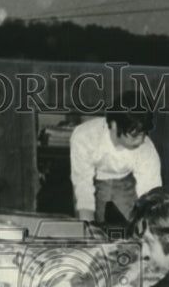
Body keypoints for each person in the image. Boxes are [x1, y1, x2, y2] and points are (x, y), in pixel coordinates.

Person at [69, 90, 162, 222]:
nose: (141, 140)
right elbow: (83, 187)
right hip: (94, 180)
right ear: (114, 125)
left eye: (143, 133)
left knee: (132, 230)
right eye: (134, 135)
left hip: (126, 182)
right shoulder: (85, 136)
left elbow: (150, 196)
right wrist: (87, 228)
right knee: (91, 230)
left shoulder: (147, 149)